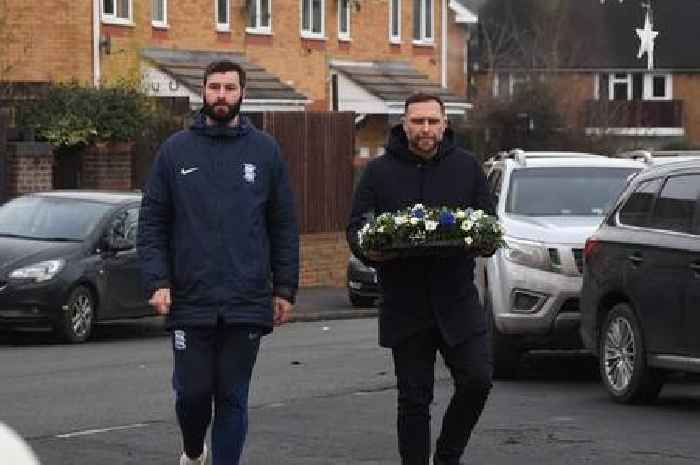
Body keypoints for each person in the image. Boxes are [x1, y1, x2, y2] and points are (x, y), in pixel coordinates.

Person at [137, 60, 299, 465]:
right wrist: (157, 280)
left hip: (246, 298)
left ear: (242, 93)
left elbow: (282, 223)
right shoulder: (175, 150)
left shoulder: (265, 151)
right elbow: (153, 221)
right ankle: (193, 451)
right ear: (202, 92)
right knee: (192, 395)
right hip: (191, 298)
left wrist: (284, 288)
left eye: (229, 88)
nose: (221, 95)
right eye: (214, 87)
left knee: (232, 395)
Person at [347, 93, 495, 465]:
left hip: (457, 300)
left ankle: (447, 455)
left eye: (432, 121)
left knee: (477, 381)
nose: (425, 129)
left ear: (445, 124)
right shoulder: (379, 172)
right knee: (414, 399)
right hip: (406, 303)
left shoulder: (467, 167)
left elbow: (488, 222)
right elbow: (356, 226)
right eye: (418, 122)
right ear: (404, 124)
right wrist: (370, 249)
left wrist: (483, 242)